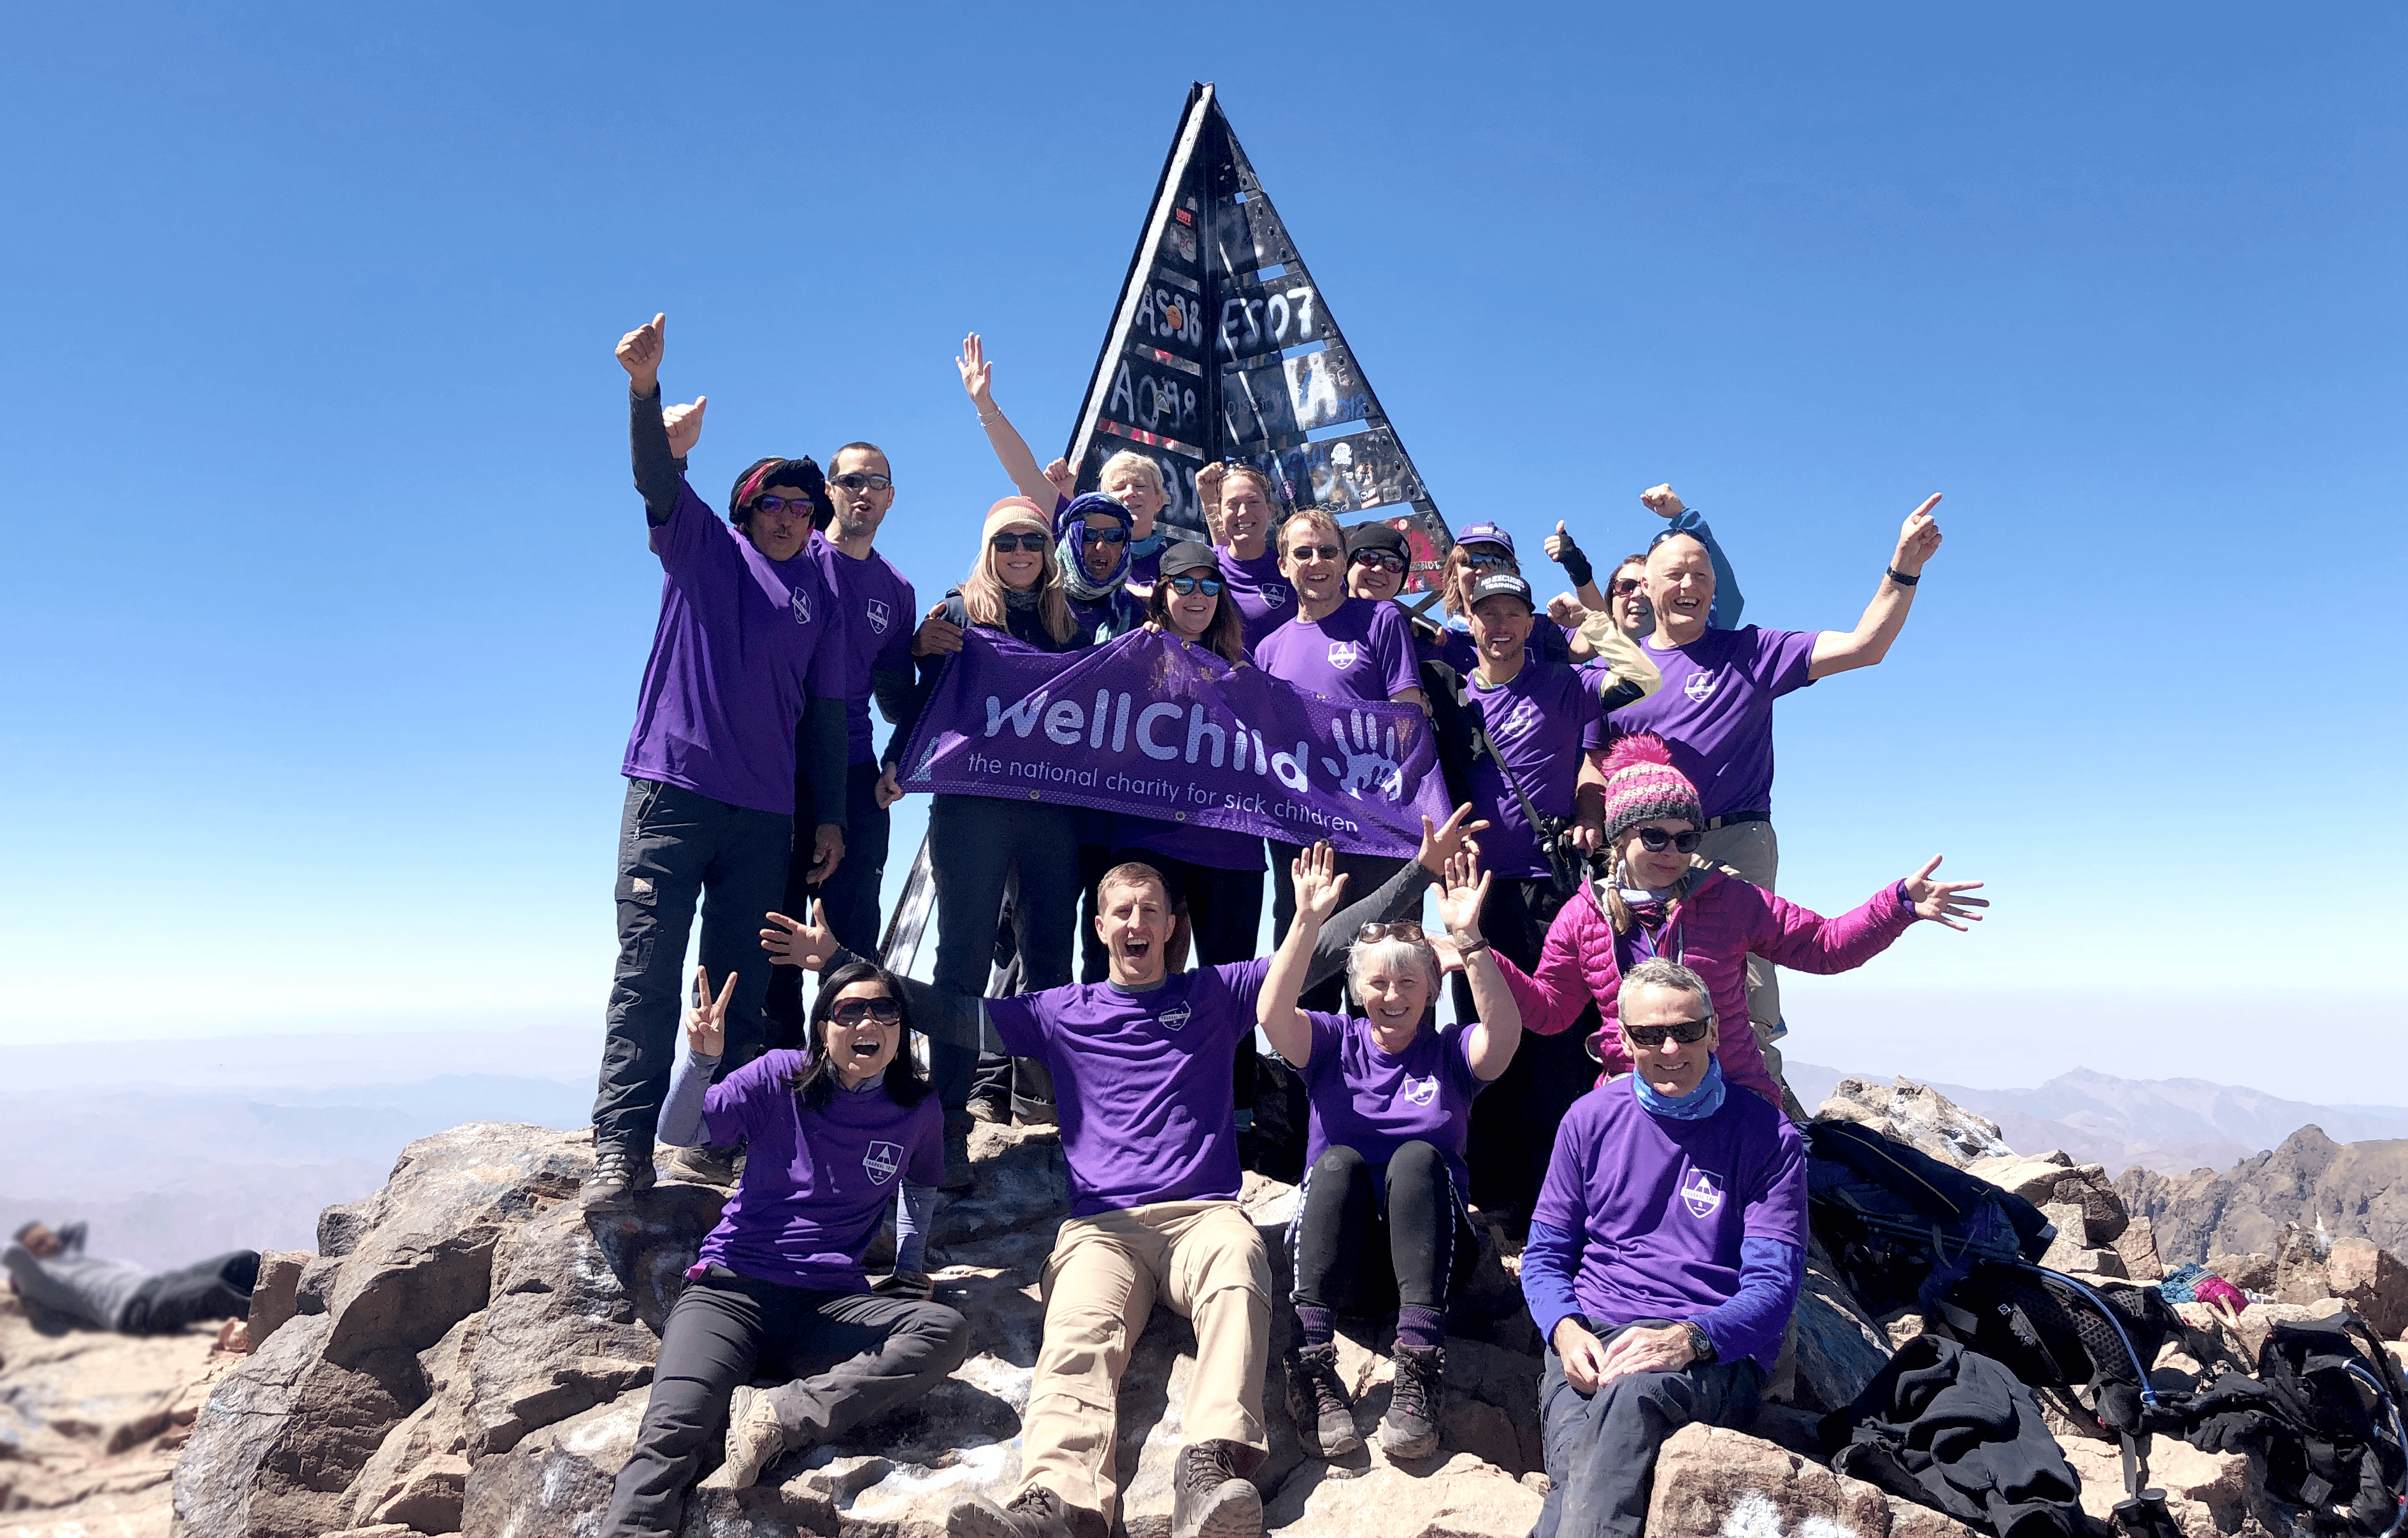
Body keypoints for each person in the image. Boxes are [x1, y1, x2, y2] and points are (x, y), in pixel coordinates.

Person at [762, 808, 1490, 1538]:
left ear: (1173, 924)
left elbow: (1326, 947)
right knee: (1077, 1330)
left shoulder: (1214, 994)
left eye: (1150, 910)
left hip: (1203, 1214)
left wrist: (1420, 873)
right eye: (1120, 912)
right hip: (1102, 1230)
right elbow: (952, 1013)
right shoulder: (1060, 1011)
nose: (1136, 922)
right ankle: (1056, 1502)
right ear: (1102, 928)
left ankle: (1208, 1469)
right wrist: (843, 959)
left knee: (1240, 1270)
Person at [585, 313, 849, 1211]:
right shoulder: (705, 549)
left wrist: (828, 818)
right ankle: (621, 1147)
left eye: (803, 506)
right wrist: (645, 393)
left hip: (764, 813)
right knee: (651, 974)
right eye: (776, 501)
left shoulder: (814, 594)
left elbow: (821, 712)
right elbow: (654, 479)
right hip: (674, 792)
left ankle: (721, 1138)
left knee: (739, 981)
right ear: (745, 508)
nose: (791, 515)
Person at [598, 962, 971, 1537]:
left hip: (825, 1306)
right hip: (730, 1292)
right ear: (823, 1027)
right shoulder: (779, 1076)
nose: (867, 1021)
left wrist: (908, 1267)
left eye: (884, 1010)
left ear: (901, 1031)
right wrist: (699, 1060)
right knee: (670, 1438)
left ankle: (778, 1416)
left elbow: (920, 1184)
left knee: (942, 1330)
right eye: (850, 1011)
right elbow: (681, 1131)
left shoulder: (915, 1109)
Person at [1602, 491, 1945, 1090]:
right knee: (1647, 996)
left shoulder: (1751, 652)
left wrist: (1903, 568)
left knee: (1743, 995)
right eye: (1675, 575)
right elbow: (1589, 762)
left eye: (1701, 575)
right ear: (1645, 589)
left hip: (1736, 841)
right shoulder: (1617, 674)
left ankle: (1763, 1126)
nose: (1690, 585)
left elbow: (1867, 645)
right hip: (1646, 847)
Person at [1492, 735, 1988, 1115]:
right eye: (1656, 836)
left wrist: (1896, 904)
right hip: (1635, 1100)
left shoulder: (1727, 898)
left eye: (1687, 839)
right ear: (1620, 835)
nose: (1673, 852)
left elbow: (1824, 946)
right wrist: (1478, 952)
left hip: (1732, 1097)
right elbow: (1550, 1011)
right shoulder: (1583, 915)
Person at [1518, 957, 1807, 1538]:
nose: (1670, 1047)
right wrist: (1565, 1331)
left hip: (1708, 1348)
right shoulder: (1588, 1119)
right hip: (1593, 1334)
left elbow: (1775, 1288)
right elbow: (1546, 1255)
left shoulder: (1769, 1137)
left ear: (1715, 1030)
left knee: (1626, 1405)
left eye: (1687, 1030)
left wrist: (1690, 1340)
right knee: (1581, 1466)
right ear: (1623, 1040)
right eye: (1649, 1034)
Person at [1258, 845, 1522, 1462]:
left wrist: (1471, 941)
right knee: (1337, 1164)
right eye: (1378, 981)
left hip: (1431, 1262)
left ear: (1432, 988)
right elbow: (1272, 1014)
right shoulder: (1331, 1043)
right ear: (1357, 989)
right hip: (1341, 1264)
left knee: (1417, 1160)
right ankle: (1314, 1367)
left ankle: (1419, 1369)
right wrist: (1306, 922)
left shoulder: (1451, 1054)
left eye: (1408, 981)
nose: (1393, 995)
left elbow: (1505, 1039)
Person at [887, 496, 1096, 1185]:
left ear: (1047, 549)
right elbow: (914, 704)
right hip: (972, 809)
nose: (1019, 552)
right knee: (964, 959)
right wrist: (899, 759)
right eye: (1005, 541)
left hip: (1050, 810)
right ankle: (946, 1120)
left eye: (1032, 540)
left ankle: (1072, 1118)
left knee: (1049, 964)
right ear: (987, 549)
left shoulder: (1069, 625)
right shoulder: (957, 614)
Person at [1102, 541, 1267, 1127]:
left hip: (1232, 842)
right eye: (1184, 584)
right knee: (1135, 964)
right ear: (1162, 592)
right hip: (1149, 837)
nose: (1197, 596)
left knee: (1230, 979)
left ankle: (1237, 1112)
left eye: (1209, 586)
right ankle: (1123, 1093)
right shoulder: (1130, 655)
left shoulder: (1247, 673)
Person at [762, 441, 917, 1051]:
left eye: (876, 481)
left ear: (890, 497)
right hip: (776, 769)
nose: (863, 491)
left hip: (854, 774)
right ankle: (768, 1078)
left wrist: (900, 754)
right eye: (850, 480)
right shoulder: (794, 555)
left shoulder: (895, 590)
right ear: (828, 491)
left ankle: (849, 1076)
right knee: (772, 927)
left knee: (850, 934)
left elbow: (895, 699)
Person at [957, 333, 1172, 583]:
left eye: (1141, 486)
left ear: (1159, 501)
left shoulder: (1179, 564)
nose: (1131, 493)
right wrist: (985, 405)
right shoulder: (1077, 536)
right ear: (1103, 501)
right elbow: (1026, 474)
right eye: (1120, 488)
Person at [1544, 483, 1746, 639]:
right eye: (1626, 586)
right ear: (1610, 602)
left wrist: (1684, 517)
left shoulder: (1697, 644)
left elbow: (1728, 599)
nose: (1639, 594)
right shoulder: (1593, 670)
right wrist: (1577, 569)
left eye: (1647, 587)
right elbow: (1599, 630)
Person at [4, 1221, 257, 1335]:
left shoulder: (68, 1257)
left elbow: (75, 1227)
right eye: (40, 1243)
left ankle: (292, 1291)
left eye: (49, 1236)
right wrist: (20, 1276)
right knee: (212, 1291)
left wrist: (50, 1238)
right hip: (135, 1311)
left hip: (159, 1283)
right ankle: (279, 1320)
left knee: (241, 1261)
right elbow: (11, 1253)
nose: (50, 1242)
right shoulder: (45, 1283)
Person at [1194, 462, 1296, 647]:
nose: (1243, 512)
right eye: (1233, 504)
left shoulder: (1290, 568)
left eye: (1253, 502)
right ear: (1218, 513)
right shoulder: (1203, 565)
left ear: (1269, 510)